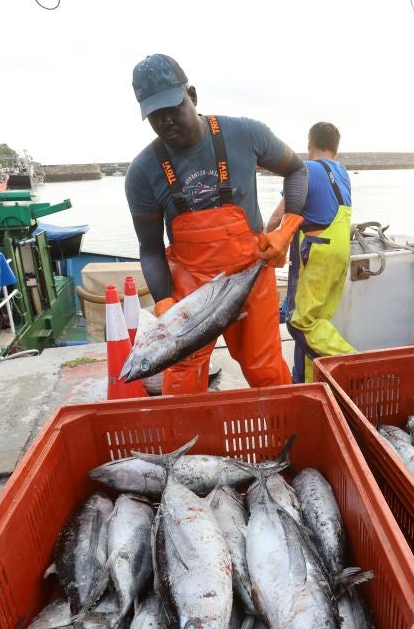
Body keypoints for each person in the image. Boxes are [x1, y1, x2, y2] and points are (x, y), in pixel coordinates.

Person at [125, 54, 308, 395]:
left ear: (191, 95)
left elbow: (297, 170)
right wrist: (164, 301)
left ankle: (287, 438)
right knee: (180, 381)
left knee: (266, 372)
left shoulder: (245, 134)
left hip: (250, 277)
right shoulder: (142, 172)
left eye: (172, 108)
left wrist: (286, 228)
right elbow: (150, 248)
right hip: (190, 289)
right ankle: (191, 448)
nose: (165, 121)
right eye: (154, 115)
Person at [266, 122, 354, 382]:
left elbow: (277, 219)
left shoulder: (305, 169)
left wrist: (260, 240)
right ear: (335, 149)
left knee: (299, 323)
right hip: (340, 253)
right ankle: (306, 382)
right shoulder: (343, 173)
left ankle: (355, 364)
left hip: (317, 253)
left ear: (309, 144)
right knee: (318, 321)